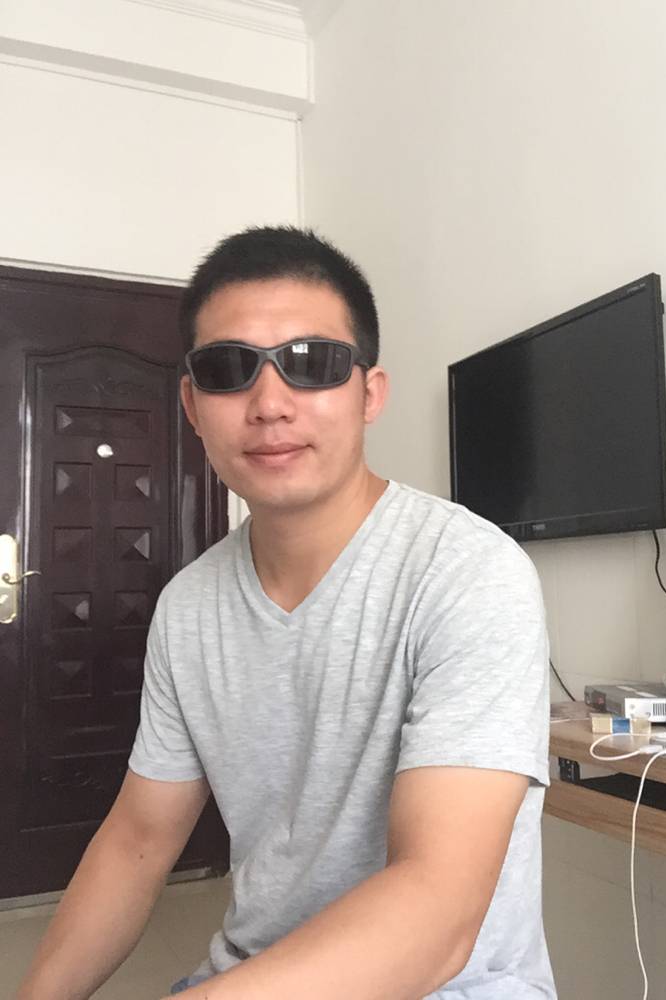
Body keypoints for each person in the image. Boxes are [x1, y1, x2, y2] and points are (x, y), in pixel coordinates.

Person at [17, 226, 556, 1000]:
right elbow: (138, 839)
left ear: (370, 394)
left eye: (312, 363)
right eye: (227, 370)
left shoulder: (468, 573)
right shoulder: (189, 607)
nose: (270, 404)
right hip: (253, 973)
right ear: (192, 405)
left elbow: (437, 910)